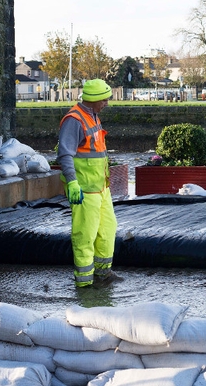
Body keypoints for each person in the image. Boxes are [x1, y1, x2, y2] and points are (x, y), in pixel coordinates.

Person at [56, 78, 122, 288]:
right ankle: (84, 284)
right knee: (85, 235)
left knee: (107, 230)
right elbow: (64, 155)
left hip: (100, 188)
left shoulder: (91, 116)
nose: (107, 104)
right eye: (104, 100)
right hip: (84, 190)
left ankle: (103, 273)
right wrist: (73, 183)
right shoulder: (74, 120)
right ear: (94, 100)